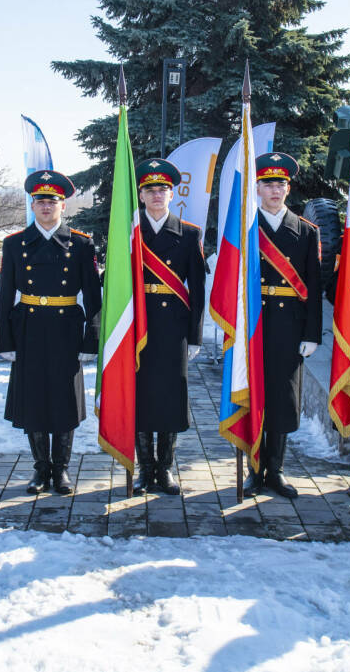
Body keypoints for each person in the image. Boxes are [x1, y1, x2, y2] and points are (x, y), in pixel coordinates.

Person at [0, 170, 102, 496]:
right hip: (27, 328)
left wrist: (91, 338)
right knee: (34, 401)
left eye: (52, 201)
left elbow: (93, 298)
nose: (46, 206)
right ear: (32, 204)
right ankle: (41, 469)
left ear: (63, 206)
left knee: (64, 400)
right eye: (40, 201)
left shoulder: (82, 245)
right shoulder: (15, 244)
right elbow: (4, 297)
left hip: (66, 329)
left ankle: (62, 470)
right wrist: (5, 341)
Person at [247, 152, 322, 499]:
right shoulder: (245, 229)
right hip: (254, 325)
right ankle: (252, 468)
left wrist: (312, 334)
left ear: (287, 188)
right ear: (258, 188)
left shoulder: (306, 232)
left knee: (282, 399)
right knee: (250, 397)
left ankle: (274, 470)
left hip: (290, 327)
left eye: (281, 184)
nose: (275, 190)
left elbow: (314, 284)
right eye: (268, 184)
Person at [132, 158, 206, 496]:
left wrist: (194, 336)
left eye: (163, 189)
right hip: (140, 327)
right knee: (142, 397)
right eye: (150, 190)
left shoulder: (189, 234)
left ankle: (165, 469)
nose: (157, 195)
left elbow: (198, 289)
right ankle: (144, 469)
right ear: (142, 195)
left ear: (172, 194)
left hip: (174, 328)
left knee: (170, 397)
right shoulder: (130, 232)